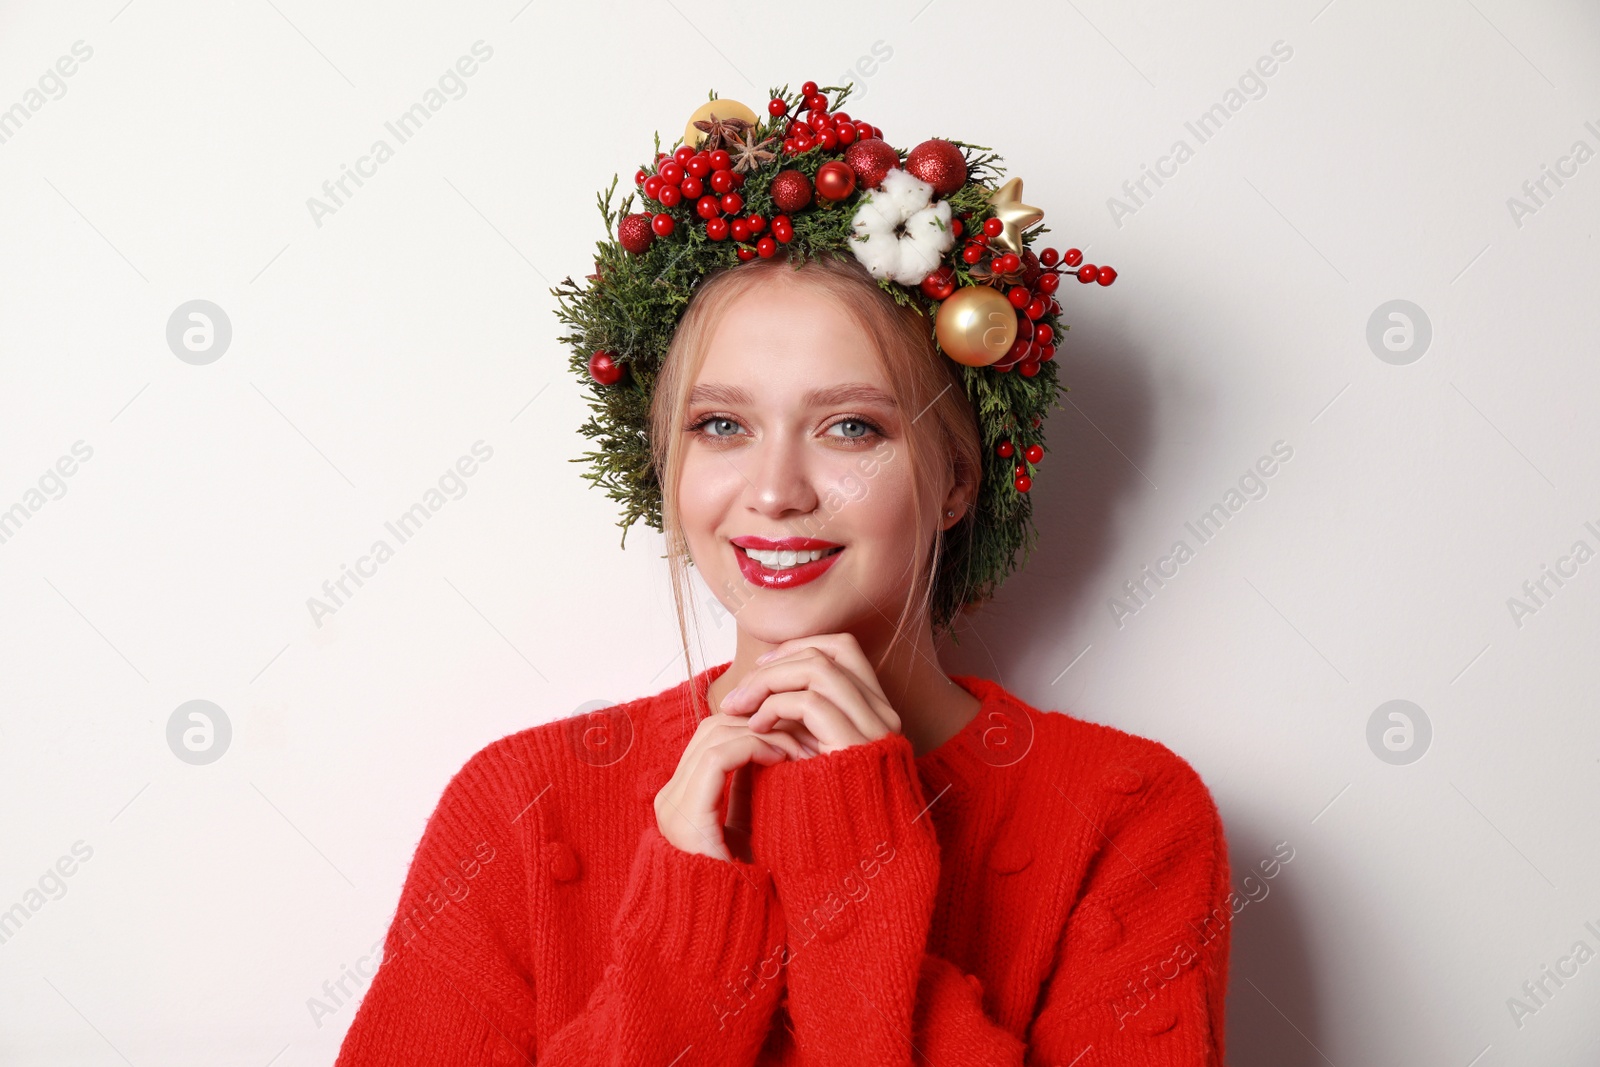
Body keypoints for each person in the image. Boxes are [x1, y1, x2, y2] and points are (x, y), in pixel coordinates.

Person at [334, 81, 1229, 1066]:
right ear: (666, 465)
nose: (773, 490)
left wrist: (857, 882)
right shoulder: (521, 804)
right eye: (721, 424)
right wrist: (683, 947)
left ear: (955, 479)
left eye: (852, 425)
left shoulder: (1126, 814)